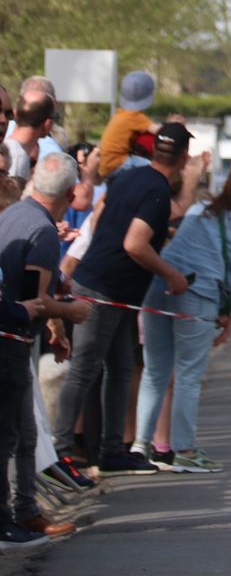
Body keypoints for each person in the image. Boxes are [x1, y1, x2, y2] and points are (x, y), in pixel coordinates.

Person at [52, 123, 198, 475]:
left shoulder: (128, 178)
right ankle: (59, 453)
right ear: (183, 157)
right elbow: (135, 243)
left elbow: (100, 216)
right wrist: (171, 274)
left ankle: (112, 450)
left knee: (119, 369)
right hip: (103, 289)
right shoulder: (158, 192)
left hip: (112, 288)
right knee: (85, 369)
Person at [134, 162, 231, 473]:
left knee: (155, 370)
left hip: (158, 285)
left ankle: (141, 445)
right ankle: (184, 449)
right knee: (188, 375)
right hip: (199, 293)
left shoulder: (200, 210)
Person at [0, 153, 91, 546]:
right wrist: (70, 311)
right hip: (11, 342)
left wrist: (54, 320)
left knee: (23, 433)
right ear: (71, 194)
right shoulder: (42, 231)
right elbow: (34, 301)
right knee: (13, 435)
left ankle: (25, 513)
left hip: (14, 340)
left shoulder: (15, 214)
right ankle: (12, 518)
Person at [97, 71, 162, 179]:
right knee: (156, 169)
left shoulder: (121, 113)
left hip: (105, 164)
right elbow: (159, 131)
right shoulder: (135, 116)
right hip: (117, 162)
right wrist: (173, 126)